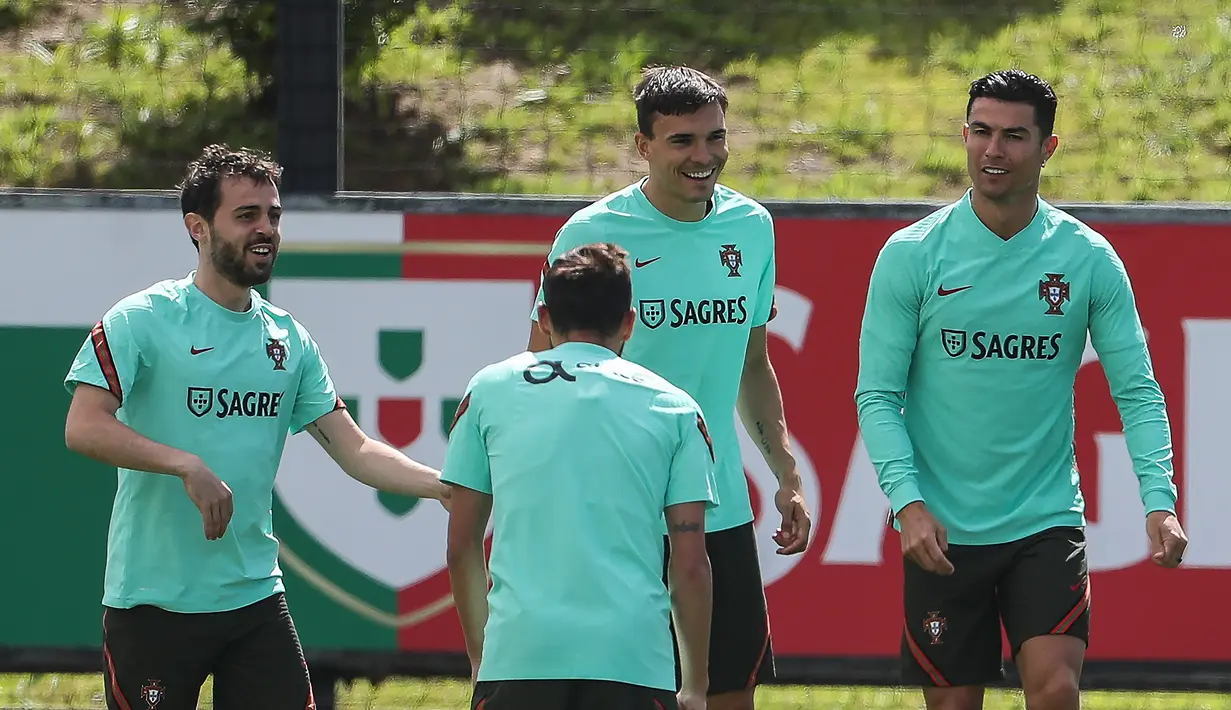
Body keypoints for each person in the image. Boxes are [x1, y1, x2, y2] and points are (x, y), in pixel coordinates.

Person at [62, 144, 451, 710]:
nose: (265, 229)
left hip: (253, 600)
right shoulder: (142, 319)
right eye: (246, 216)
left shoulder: (288, 339)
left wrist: (442, 486)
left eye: (273, 215)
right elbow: (83, 426)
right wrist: (184, 464)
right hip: (152, 604)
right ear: (198, 227)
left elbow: (357, 448)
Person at [854, 69, 1190, 710]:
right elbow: (876, 393)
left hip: (1045, 522)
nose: (993, 151)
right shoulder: (913, 254)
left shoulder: (1088, 259)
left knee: (1057, 688)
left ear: (1048, 147)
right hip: (943, 529)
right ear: (964, 136)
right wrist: (907, 504)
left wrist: (1160, 500)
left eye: (1013, 136)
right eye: (980, 132)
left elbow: (1138, 391)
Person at [525, 65, 809, 710]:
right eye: (682, 141)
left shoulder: (752, 227)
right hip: (617, 513)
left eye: (714, 138)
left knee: (728, 695)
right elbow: (542, 372)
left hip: (719, 506)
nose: (703, 157)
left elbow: (752, 363)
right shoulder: (590, 235)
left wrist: (785, 475)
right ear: (643, 146)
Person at [444, 242, 718, 710]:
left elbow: (462, 544)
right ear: (630, 322)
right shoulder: (676, 408)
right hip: (633, 661)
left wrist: (481, 657)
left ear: (545, 318)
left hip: (518, 657)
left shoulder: (488, 390)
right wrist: (694, 684)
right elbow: (690, 563)